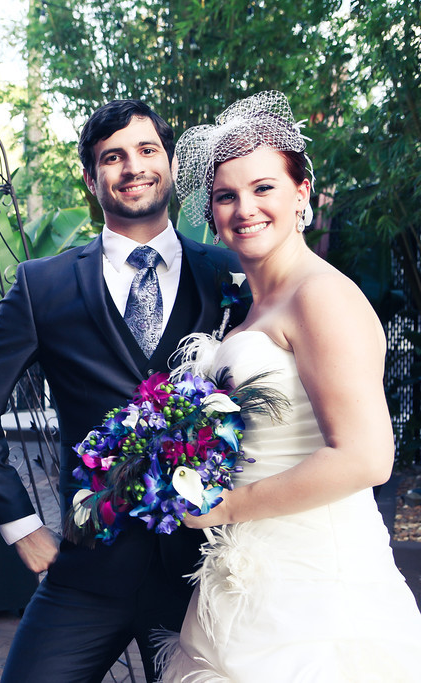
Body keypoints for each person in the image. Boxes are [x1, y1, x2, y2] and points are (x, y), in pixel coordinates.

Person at [0, 100, 242, 682]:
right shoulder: (43, 285)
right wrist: (23, 530)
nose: (133, 167)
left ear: (172, 163)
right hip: (85, 576)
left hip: (202, 575)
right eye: (113, 157)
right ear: (91, 178)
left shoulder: (227, 275)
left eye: (147, 150)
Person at [156, 91, 421, 680]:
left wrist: (229, 505)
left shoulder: (321, 296)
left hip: (314, 587)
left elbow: (367, 457)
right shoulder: (249, 308)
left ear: (301, 193)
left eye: (263, 188)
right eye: (226, 195)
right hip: (241, 578)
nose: (243, 208)